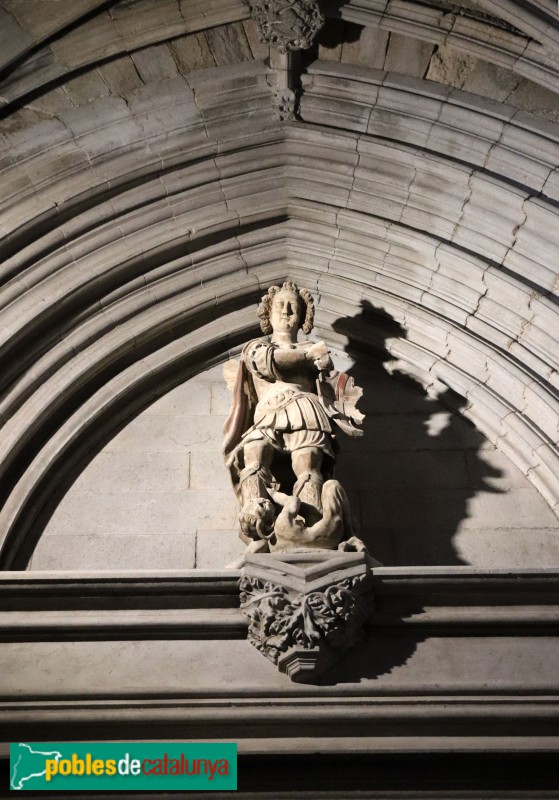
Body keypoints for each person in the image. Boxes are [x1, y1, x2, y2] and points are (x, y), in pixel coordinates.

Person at [223, 282, 363, 549]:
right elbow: (269, 363)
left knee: (307, 465)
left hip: (306, 410)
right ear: (268, 313)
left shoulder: (315, 352)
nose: (286, 310)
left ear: (302, 317)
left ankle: (310, 522)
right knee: (254, 456)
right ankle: (256, 520)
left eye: (293, 307)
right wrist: (308, 355)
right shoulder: (256, 347)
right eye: (280, 305)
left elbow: (331, 386)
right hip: (268, 412)